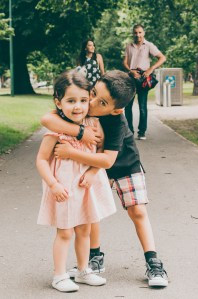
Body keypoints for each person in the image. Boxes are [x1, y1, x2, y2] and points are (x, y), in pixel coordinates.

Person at [41, 70, 168, 288]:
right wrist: (81, 133)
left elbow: (107, 161)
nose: (90, 102)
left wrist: (72, 153)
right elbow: (46, 119)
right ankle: (94, 258)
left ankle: (153, 262)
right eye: (92, 93)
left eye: (100, 102)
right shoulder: (79, 109)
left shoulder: (117, 122)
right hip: (91, 165)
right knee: (92, 213)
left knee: (137, 211)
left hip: (123, 164)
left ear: (116, 109)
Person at [36, 70, 116, 293]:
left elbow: (100, 152)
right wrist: (53, 184)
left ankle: (83, 270)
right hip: (64, 189)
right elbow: (41, 160)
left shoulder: (93, 124)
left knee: (85, 230)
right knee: (65, 232)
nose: (78, 106)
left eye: (82, 100)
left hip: (86, 187)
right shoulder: (56, 131)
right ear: (58, 103)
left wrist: (91, 173)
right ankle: (59, 275)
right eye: (71, 101)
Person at [123, 24, 166, 139]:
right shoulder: (128, 46)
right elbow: (125, 62)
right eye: (135, 33)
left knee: (142, 106)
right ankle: (129, 132)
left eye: (140, 32)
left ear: (143, 33)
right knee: (128, 106)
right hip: (131, 78)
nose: (138, 35)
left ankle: (142, 132)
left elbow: (162, 58)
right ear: (133, 33)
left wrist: (151, 69)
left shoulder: (149, 46)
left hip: (143, 79)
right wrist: (129, 70)